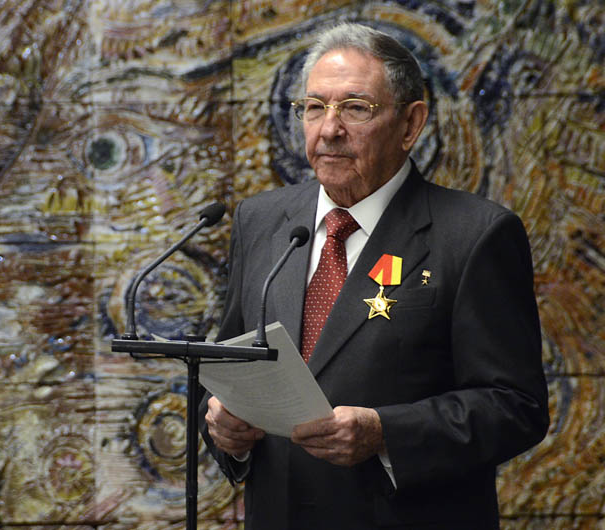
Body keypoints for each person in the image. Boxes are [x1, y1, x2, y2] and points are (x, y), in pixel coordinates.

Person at [199, 22, 549, 529]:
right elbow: (228, 365)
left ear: (410, 124)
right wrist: (224, 429)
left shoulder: (476, 234)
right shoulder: (261, 220)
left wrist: (386, 432)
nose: (329, 129)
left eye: (355, 108)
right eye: (314, 107)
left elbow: (516, 407)